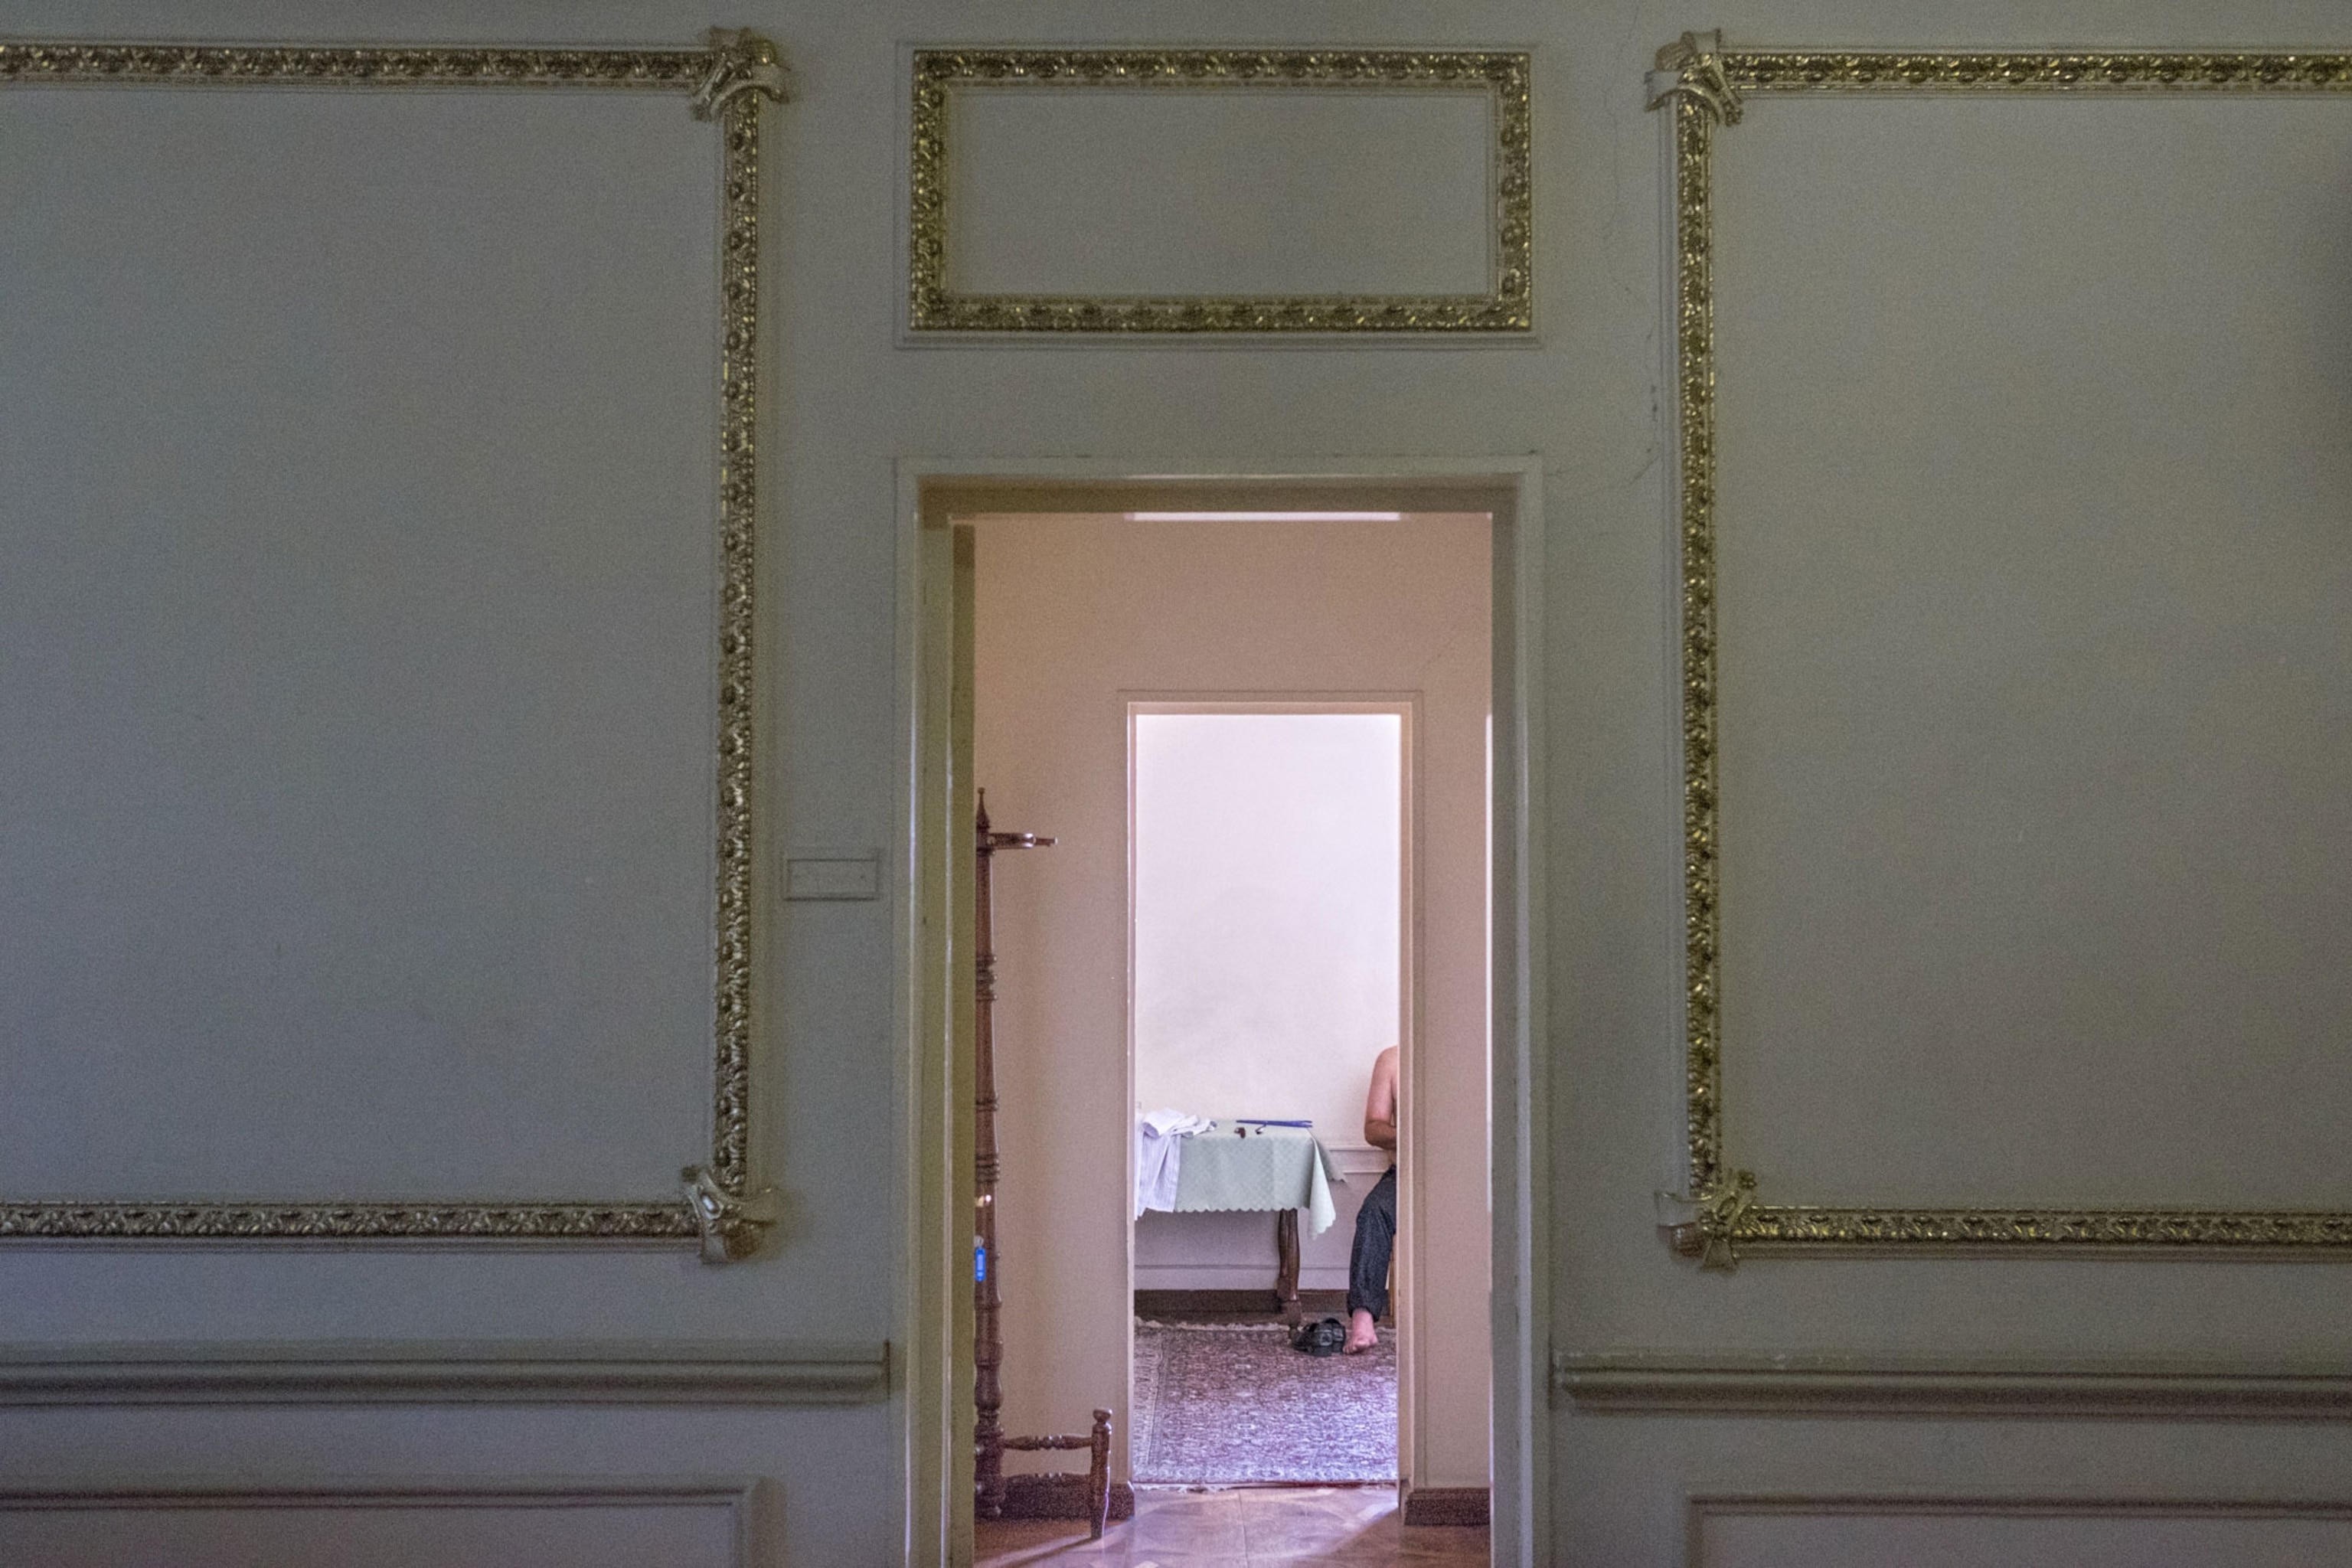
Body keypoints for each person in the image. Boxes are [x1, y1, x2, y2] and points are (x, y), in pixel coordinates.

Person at [1344, 1045, 1400, 1354]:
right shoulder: (1392, 1060)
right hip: (1407, 1174)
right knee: (1373, 1212)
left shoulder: (1477, 1055)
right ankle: (1363, 1323)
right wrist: (1416, 1134)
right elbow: (1374, 1128)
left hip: (1469, 1174)